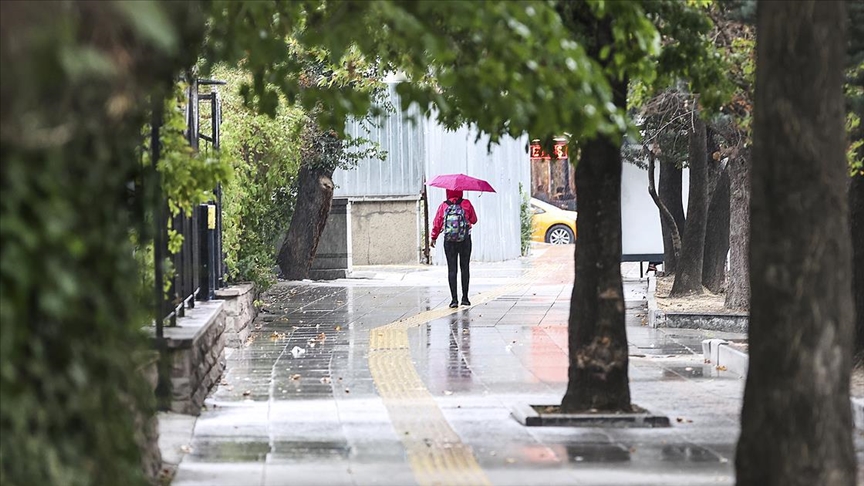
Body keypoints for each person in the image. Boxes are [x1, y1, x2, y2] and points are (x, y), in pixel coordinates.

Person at [430, 189, 478, 308]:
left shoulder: (444, 205)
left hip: (449, 241)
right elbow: (474, 220)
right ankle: (465, 298)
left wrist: (433, 237)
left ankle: (454, 300)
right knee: (465, 267)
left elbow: (437, 223)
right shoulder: (466, 203)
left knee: (452, 269)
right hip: (465, 239)